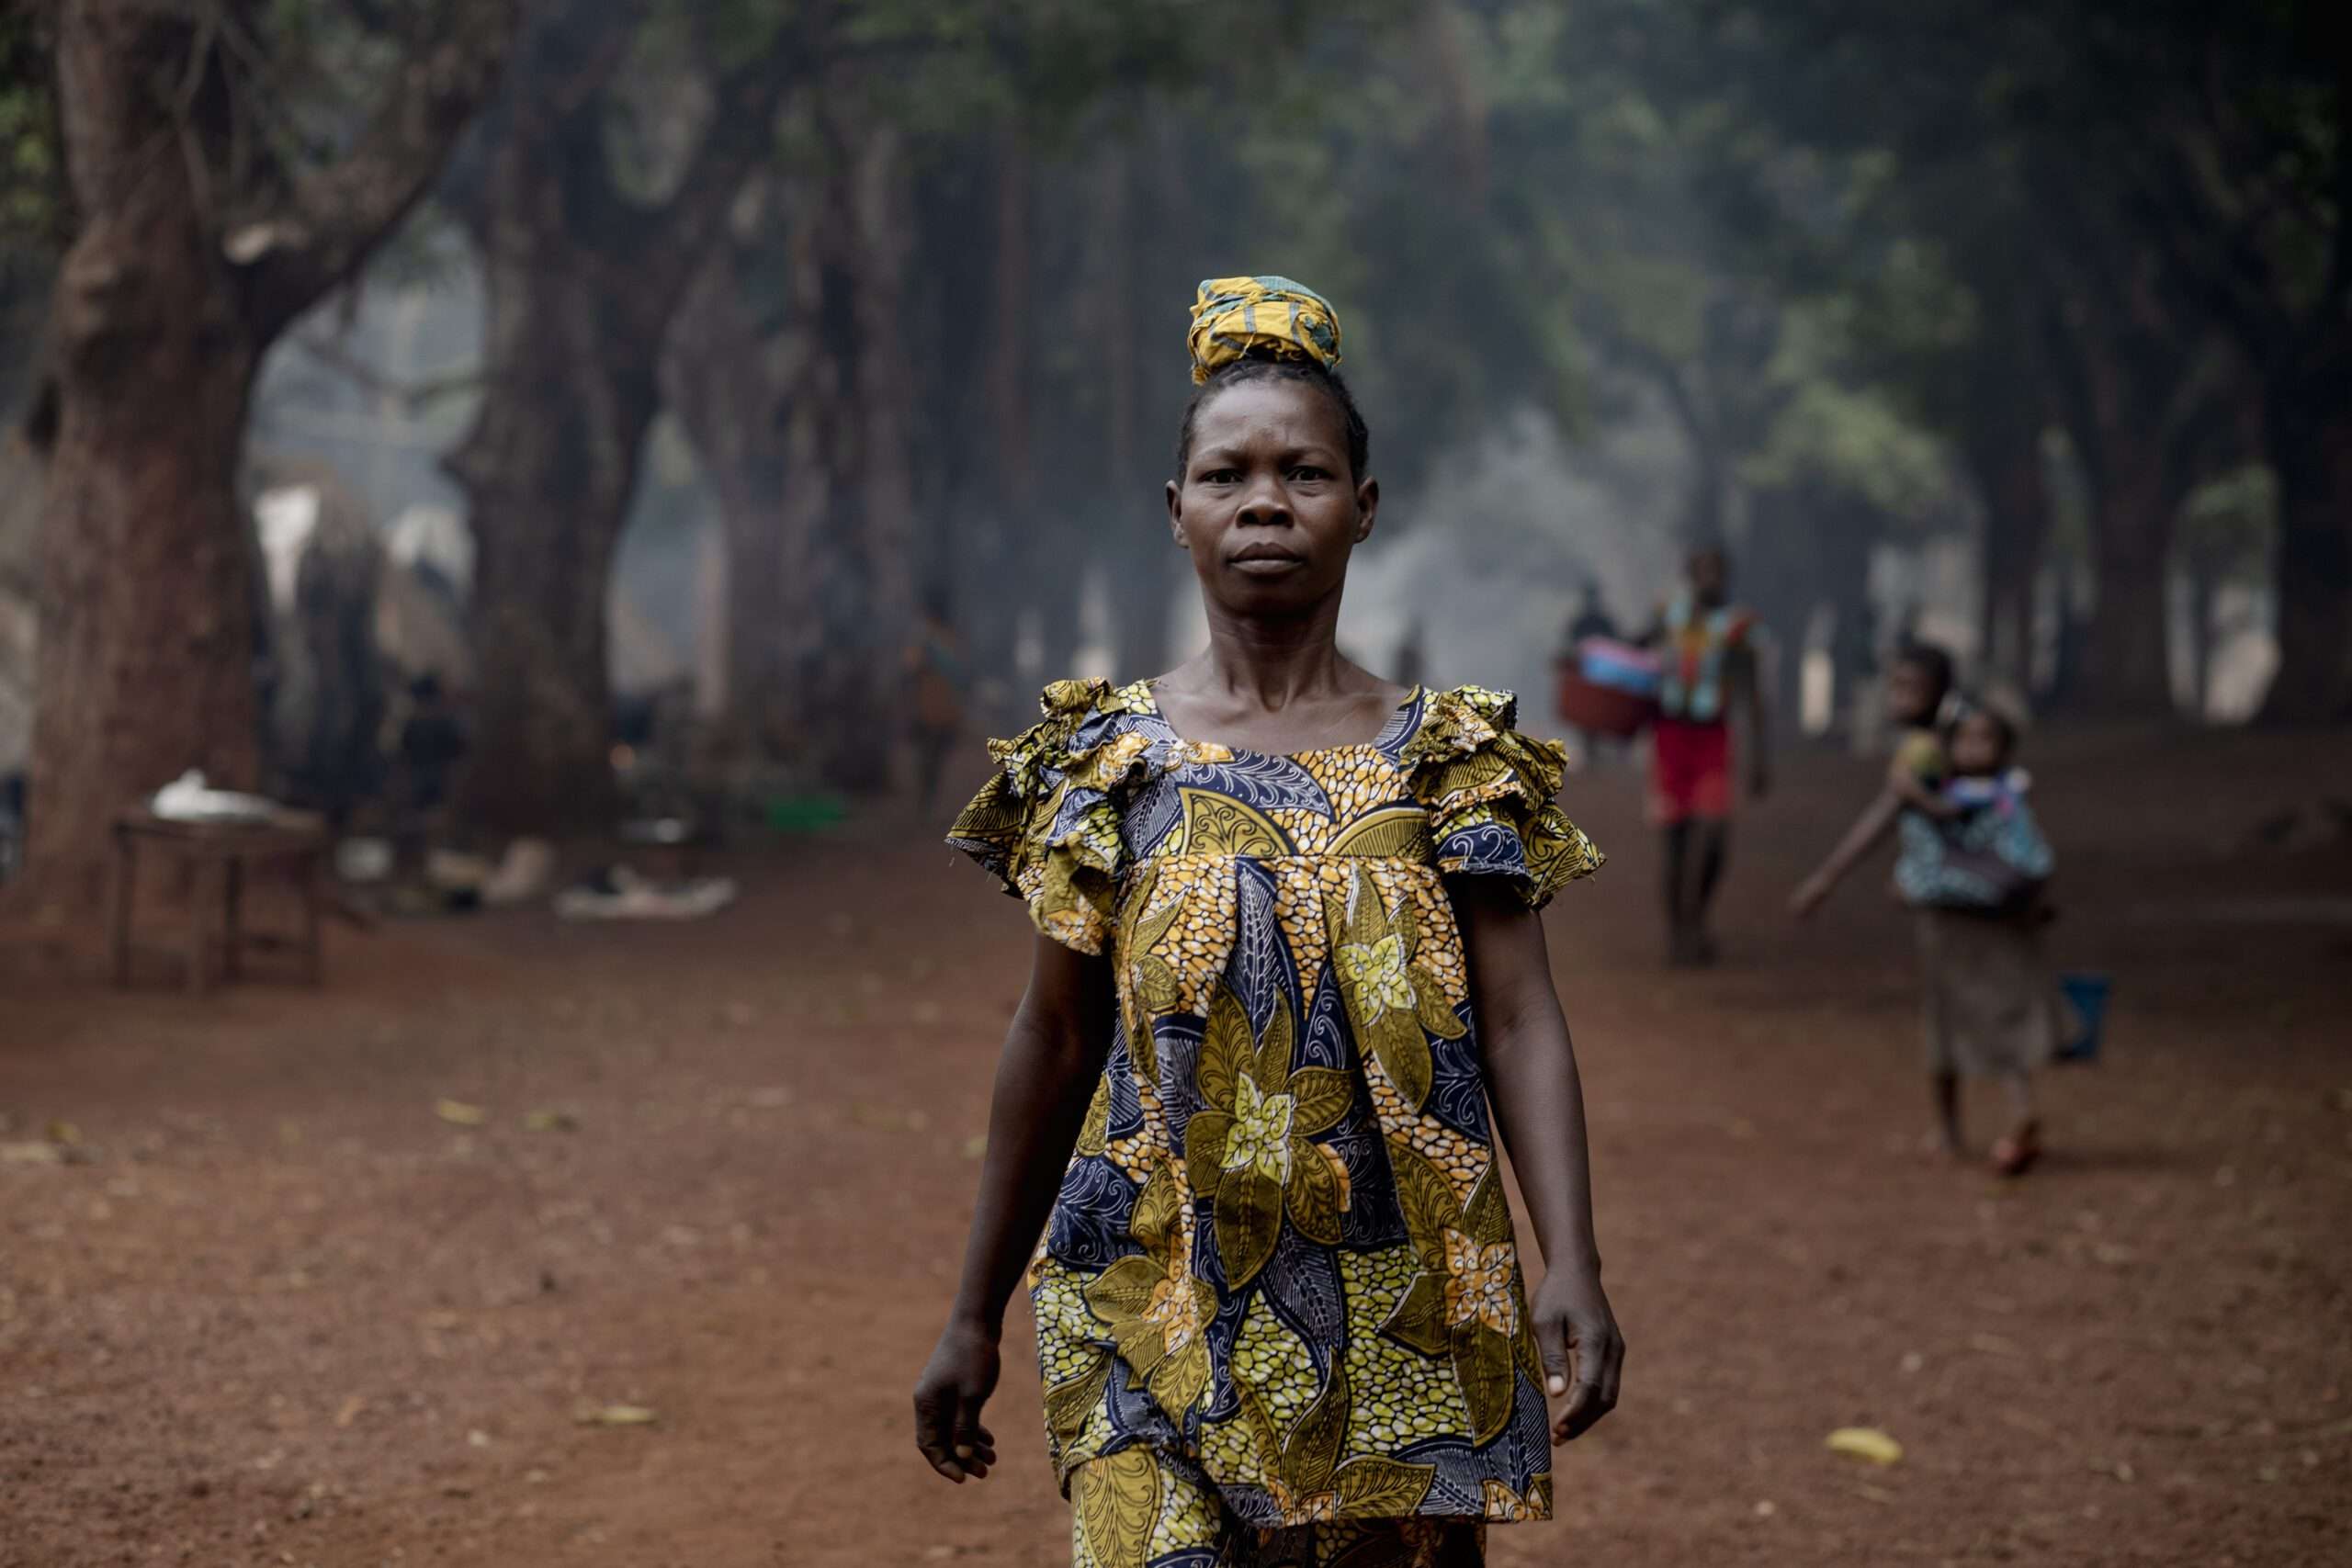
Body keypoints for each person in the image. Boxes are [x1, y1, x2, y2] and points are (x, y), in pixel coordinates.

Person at [916, 276, 1624, 1568]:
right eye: (1227, 473)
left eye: (1303, 471)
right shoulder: (1104, 763)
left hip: (1408, 1306)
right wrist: (972, 1311)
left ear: (1361, 509)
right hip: (1148, 1289)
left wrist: (1567, 1256)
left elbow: (1521, 1017)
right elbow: (1054, 1038)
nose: (1263, 500)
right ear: (1176, 513)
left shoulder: (1450, 762)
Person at [1791, 649, 2067, 1176]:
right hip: (1985, 903)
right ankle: (2005, 1116)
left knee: (1952, 1016)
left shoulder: (1927, 753)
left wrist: (1825, 880)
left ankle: (1959, 1129)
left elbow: (1884, 819)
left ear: (1940, 692)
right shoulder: (1966, 742)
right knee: (1983, 1012)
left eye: (1910, 689)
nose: (1898, 699)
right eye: (1893, 687)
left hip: (1954, 909)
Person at [1641, 546, 1769, 965]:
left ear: (1726, 576)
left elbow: (1751, 693)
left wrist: (1760, 756)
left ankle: (1697, 917)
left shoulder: (1740, 627)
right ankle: (1680, 931)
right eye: (1703, 571)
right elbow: (1633, 651)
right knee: (1674, 841)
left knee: (1713, 838)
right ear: (1691, 574)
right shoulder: (1667, 617)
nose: (1710, 579)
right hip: (1669, 738)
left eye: (1717, 571)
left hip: (1714, 739)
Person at [909, 603, 969, 818]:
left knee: (929, 760)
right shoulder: (952, 641)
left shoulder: (927, 642)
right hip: (944, 711)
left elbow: (910, 668)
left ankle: (926, 804)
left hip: (929, 710)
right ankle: (927, 803)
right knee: (933, 760)